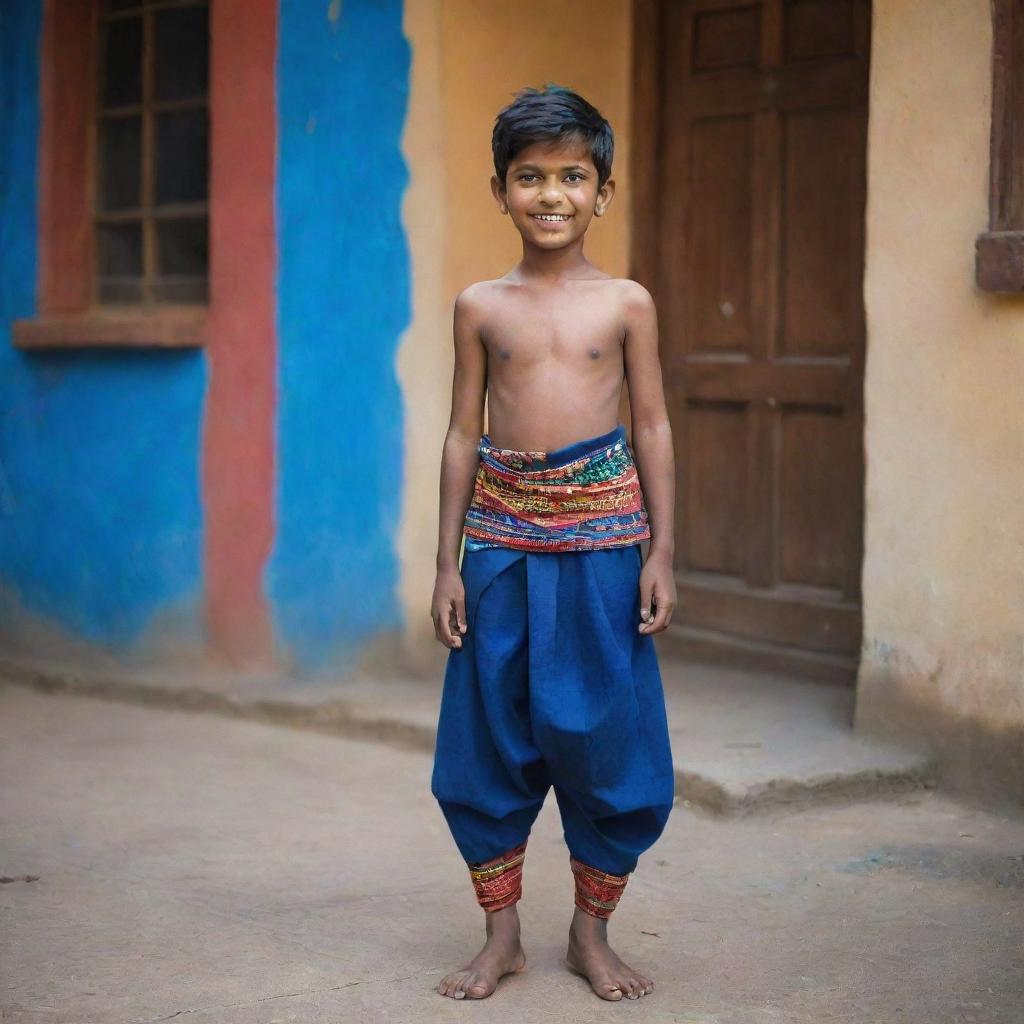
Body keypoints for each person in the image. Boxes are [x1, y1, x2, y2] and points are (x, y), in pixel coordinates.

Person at [429, 83, 677, 1003]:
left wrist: (662, 552)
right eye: (530, 176)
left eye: (572, 175)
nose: (551, 194)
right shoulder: (479, 306)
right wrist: (445, 563)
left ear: (602, 193)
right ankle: (501, 938)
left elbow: (651, 426)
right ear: (500, 190)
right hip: (498, 548)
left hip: (607, 548)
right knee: (488, 737)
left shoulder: (627, 304)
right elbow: (463, 434)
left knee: (606, 737)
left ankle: (589, 933)